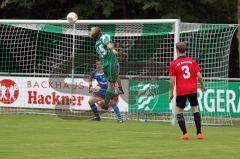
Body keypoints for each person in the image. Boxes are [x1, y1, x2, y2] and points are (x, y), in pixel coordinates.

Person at [169, 42, 206, 140]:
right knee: (195, 110)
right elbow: (199, 76)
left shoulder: (174, 64)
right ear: (185, 50)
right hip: (192, 89)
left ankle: (185, 134)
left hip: (182, 90)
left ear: (177, 50)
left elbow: (172, 81)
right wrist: (202, 86)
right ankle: (199, 133)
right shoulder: (192, 61)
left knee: (179, 111)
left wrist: (171, 93)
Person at [90, 26, 124, 109]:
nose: (90, 30)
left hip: (105, 66)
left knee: (110, 85)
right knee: (112, 87)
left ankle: (108, 100)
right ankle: (107, 102)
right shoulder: (105, 36)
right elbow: (108, 43)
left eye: (91, 30)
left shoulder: (96, 44)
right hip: (111, 63)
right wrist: (114, 50)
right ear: (99, 31)